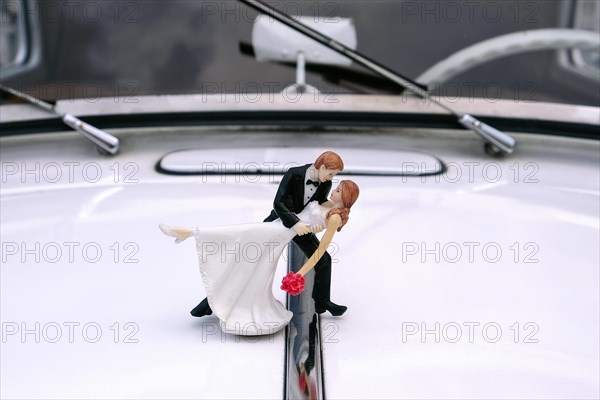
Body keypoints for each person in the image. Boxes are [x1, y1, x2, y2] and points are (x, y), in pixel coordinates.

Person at [159, 175, 359, 335]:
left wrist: (300, 273)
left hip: (281, 233)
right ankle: (189, 233)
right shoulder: (326, 200)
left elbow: (321, 250)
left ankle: (190, 233)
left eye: (339, 190)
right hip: (280, 224)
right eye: (336, 186)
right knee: (245, 247)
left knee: (245, 242)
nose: (333, 188)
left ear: (346, 197)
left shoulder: (334, 218)